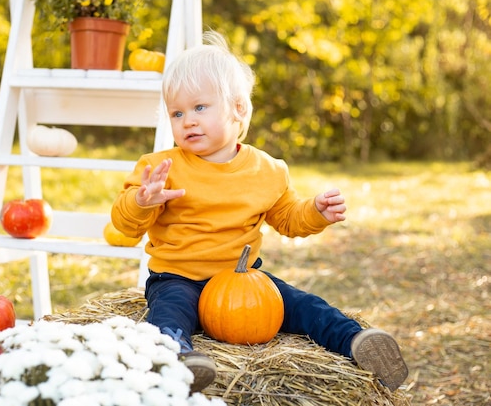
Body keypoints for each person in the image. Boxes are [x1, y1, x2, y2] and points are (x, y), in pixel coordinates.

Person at [111, 31, 408, 393]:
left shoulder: (267, 169)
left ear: (238, 108)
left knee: (302, 304)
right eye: (177, 112)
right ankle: (179, 360)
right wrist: (142, 201)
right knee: (168, 316)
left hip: (241, 279)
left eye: (200, 107)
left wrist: (315, 211)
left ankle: (357, 342)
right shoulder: (159, 168)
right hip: (178, 277)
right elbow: (124, 224)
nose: (187, 120)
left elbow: (288, 218)